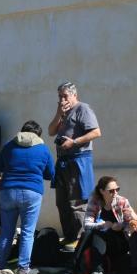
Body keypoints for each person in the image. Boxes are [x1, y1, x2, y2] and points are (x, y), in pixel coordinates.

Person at [0, 120, 55, 274]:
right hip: (32, 192)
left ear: (21, 131)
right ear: (38, 134)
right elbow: (50, 174)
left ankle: (0, 265)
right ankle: (23, 269)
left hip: (7, 190)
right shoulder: (43, 149)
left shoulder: (9, 146)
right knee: (27, 232)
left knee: (7, 231)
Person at [48, 81, 101, 251]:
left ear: (74, 95)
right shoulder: (63, 112)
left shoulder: (83, 108)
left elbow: (96, 132)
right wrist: (58, 113)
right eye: (60, 96)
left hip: (79, 159)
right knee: (62, 202)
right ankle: (69, 236)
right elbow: (50, 131)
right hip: (63, 161)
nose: (63, 99)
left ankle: (79, 238)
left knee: (77, 201)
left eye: (65, 96)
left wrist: (75, 142)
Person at [61, 176, 134, 274]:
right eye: (111, 191)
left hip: (118, 241)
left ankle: (71, 269)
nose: (115, 193)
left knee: (92, 233)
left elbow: (130, 223)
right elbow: (87, 224)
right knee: (90, 232)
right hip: (99, 240)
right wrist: (104, 224)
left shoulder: (122, 201)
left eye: (117, 189)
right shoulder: (95, 201)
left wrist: (120, 225)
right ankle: (95, 271)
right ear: (102, 191)